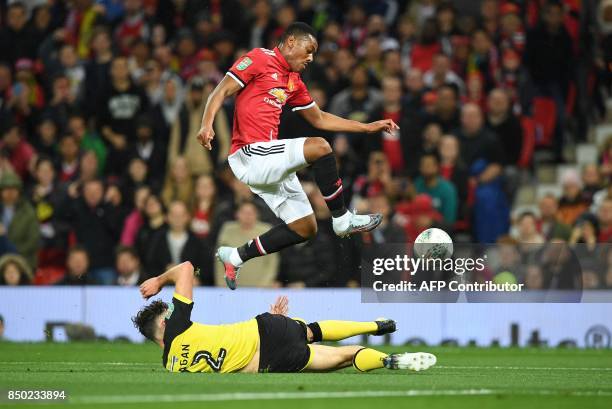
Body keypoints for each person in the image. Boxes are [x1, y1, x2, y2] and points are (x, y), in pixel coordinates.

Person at [198, 22, 397, 289]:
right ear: (291, 41)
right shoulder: (259, 58)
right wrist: (207, 123)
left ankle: (236, 255)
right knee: (320, 147)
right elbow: (220, 90)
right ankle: (341, 218)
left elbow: (320, 118)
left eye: (314, 53)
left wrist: (366, 127)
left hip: (267, 162)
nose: (311, 57)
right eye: (308, 49)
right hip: (249, 154)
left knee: (306, 227)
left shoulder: (294, 81)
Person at [133, 261, 437, 373]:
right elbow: (186, 268)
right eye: (168, 312)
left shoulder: (172, 368)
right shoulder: (176, 325)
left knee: (344, 357)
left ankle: (389, 361)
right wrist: (160, 281)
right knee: (311, 330)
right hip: (265, 327)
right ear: (164, 323)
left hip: (270, 362)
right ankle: (374, 324)